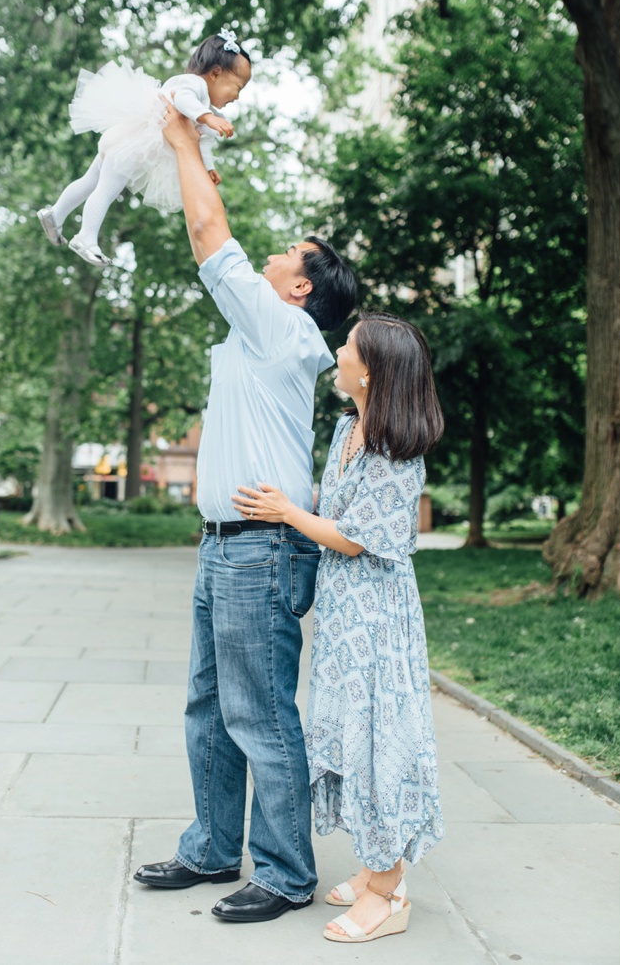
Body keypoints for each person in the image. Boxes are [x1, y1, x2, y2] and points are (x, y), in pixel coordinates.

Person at [130, 92, 358, 924]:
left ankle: (287, 871)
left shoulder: (287, 332)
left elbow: (208, 235)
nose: (266, 256)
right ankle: (213, 846)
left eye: (284, 254)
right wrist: (189, 160)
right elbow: (207, 227)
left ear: (301, 287)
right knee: (206, 705)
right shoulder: (255, 334)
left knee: (259, 712)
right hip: (223, 545)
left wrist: (183, 138)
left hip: (259, 548)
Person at [232, 312, 446, 944]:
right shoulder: (349, 427)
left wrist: (285, 511)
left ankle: (389, 893)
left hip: (377, 622)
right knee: (349, 735)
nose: (337, 351)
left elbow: (354, 540)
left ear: (370, 370)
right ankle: (374, 866)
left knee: (377, 740)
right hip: (345, 616)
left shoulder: (394, 451)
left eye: (348, 346)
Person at [38, 31, 250, 266]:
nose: (237, 97)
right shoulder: (194, 85)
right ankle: (86, 237)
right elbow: (182, 99)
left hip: (126, 140)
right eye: (238, 87)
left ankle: (55, 214)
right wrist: (207, 117)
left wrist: (208, 166)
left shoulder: (204, 105)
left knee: (90, 180)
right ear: (216, 73)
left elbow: (203, 140)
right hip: (134, 143)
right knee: (108, 187)